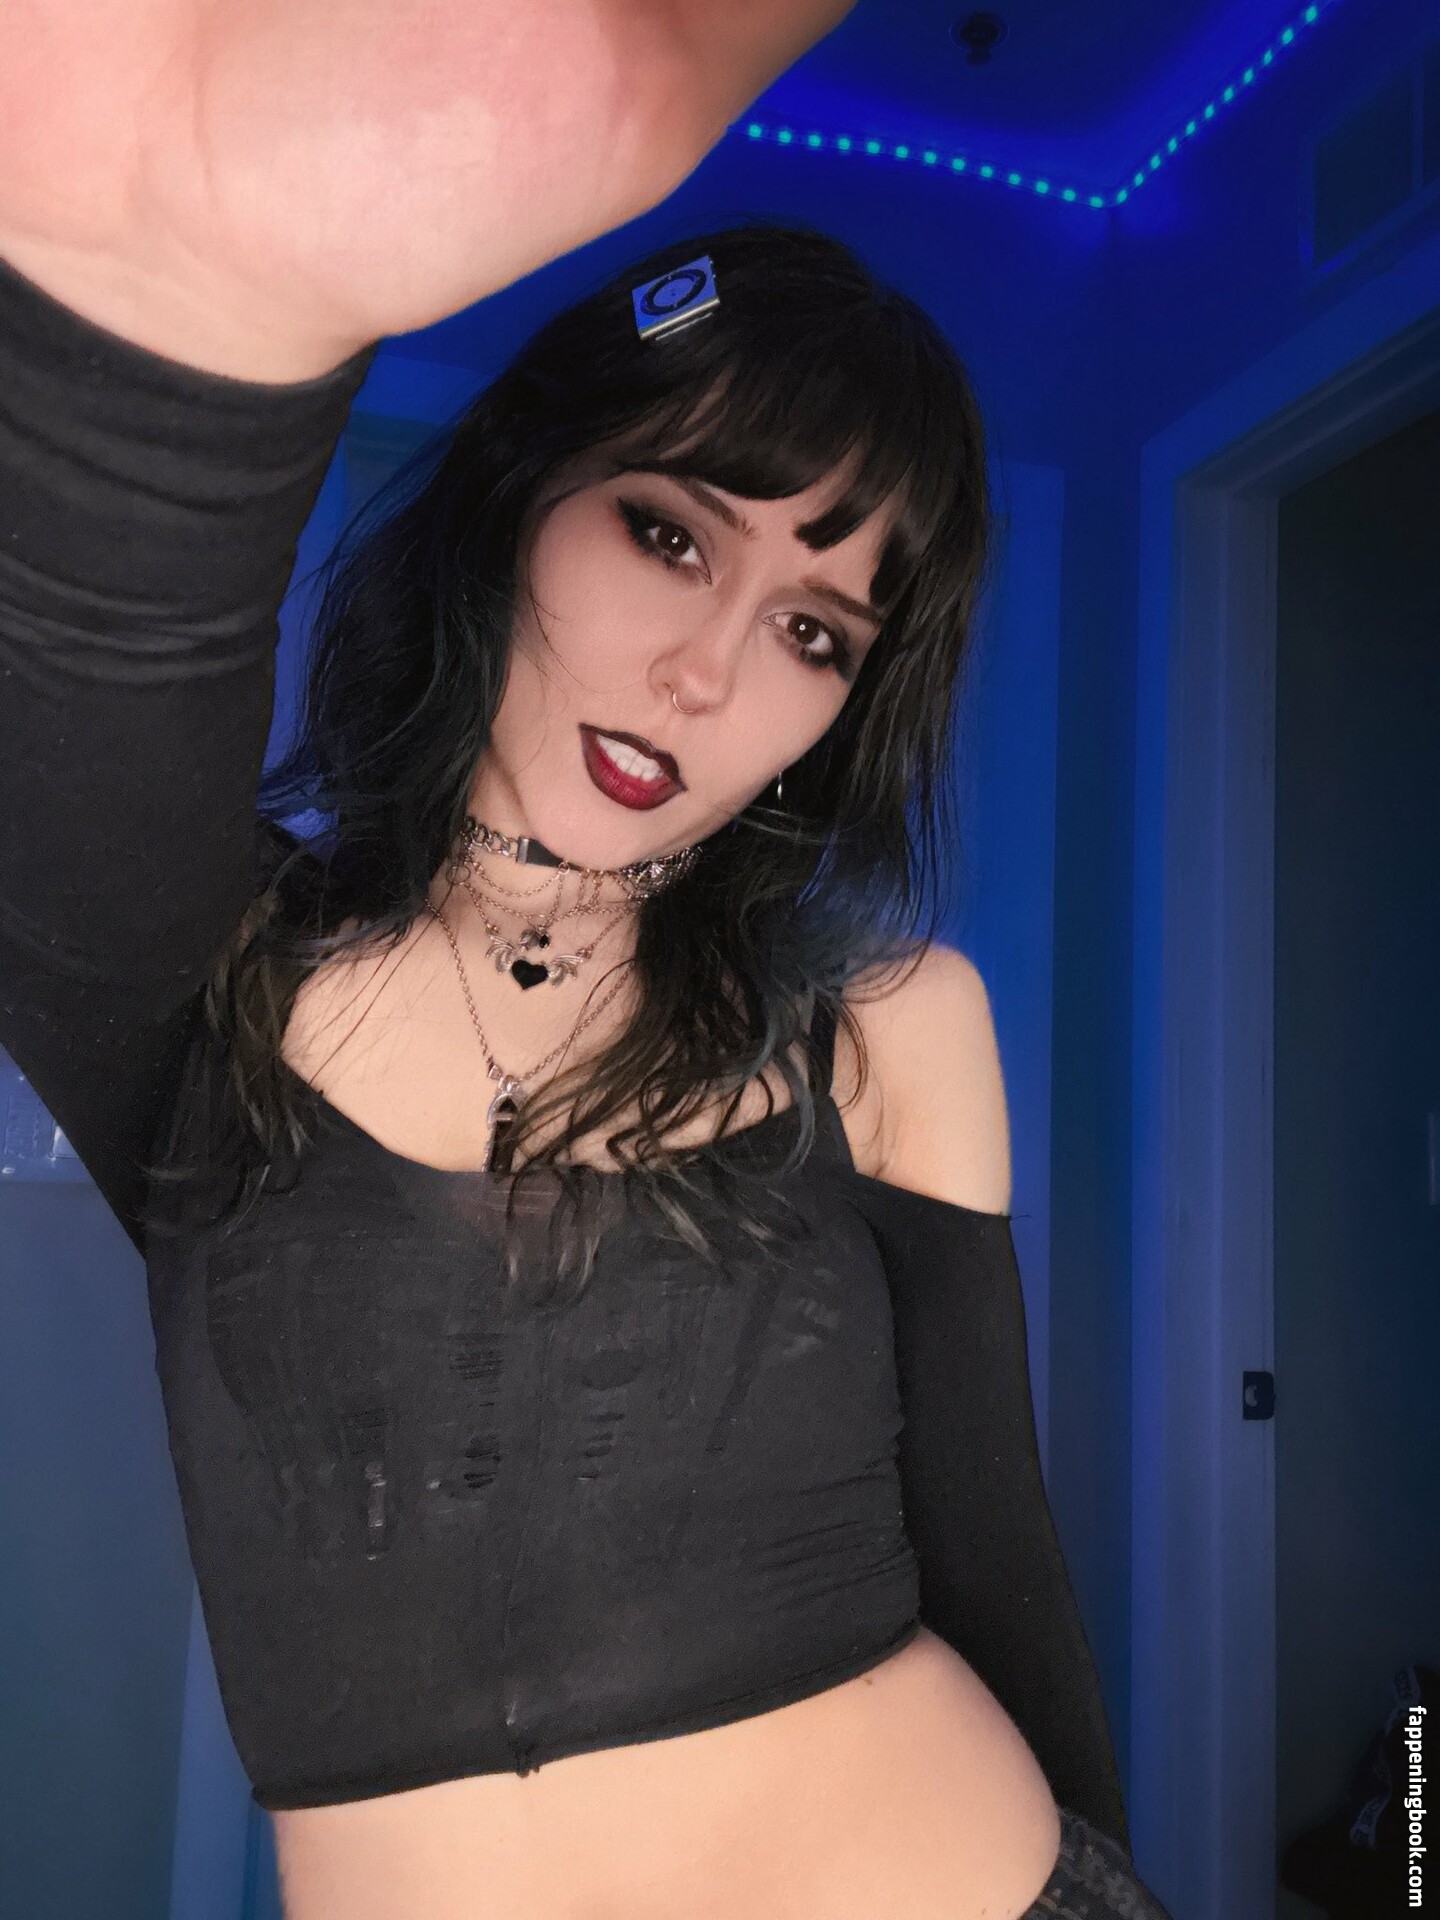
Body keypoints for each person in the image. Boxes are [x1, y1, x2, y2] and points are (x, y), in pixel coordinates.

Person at [0, 4, 1175, 1917]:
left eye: (815, 630)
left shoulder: (887, 1028)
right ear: (519, 501)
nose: (707, 674)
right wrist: (219, 262)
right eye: (669, 533)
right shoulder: (215, 980)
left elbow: (1003, 1574)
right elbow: (78, 647)